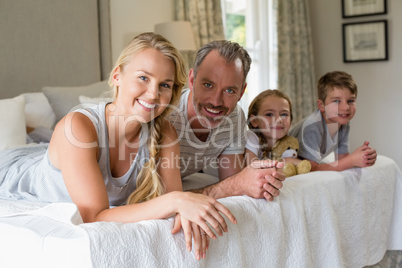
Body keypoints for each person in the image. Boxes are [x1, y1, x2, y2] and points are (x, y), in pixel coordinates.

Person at [0, 32, 237, 260]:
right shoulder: (78, 126)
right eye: (143, 78)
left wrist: (180, 205)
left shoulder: (165, 133)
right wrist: (176, 201)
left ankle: (40, 136)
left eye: (165, 85)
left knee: (46, 141)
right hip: (12, 170)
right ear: (117, 76)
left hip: (61, 151)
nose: (153, 94)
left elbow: (175, 203)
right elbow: (94, 216)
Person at [168, 40, 286, 206]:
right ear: (192, 79)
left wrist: (260, 180)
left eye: (230, 90)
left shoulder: (235, 117)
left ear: (241, 92)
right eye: (208, 85)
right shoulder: (166, 114)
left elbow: (232, 183)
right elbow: (164, 200)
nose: (216, 102)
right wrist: (238, 184)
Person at [288, 70, 377, 171]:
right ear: (321, 106)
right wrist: (352, 160)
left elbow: (342, 160)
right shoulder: (312, 126)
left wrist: (363, 157)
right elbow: (311, 169)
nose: (346, 107)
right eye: (336, 101)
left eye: (351, 101)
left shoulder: (343, 124)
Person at [245, 89, 301, 166]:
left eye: (284, 114)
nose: (279, 120)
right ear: (254, 121)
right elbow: (252, 167)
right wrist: (283, 162)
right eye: (269, 114)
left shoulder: (288, 144)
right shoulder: (251, 137)